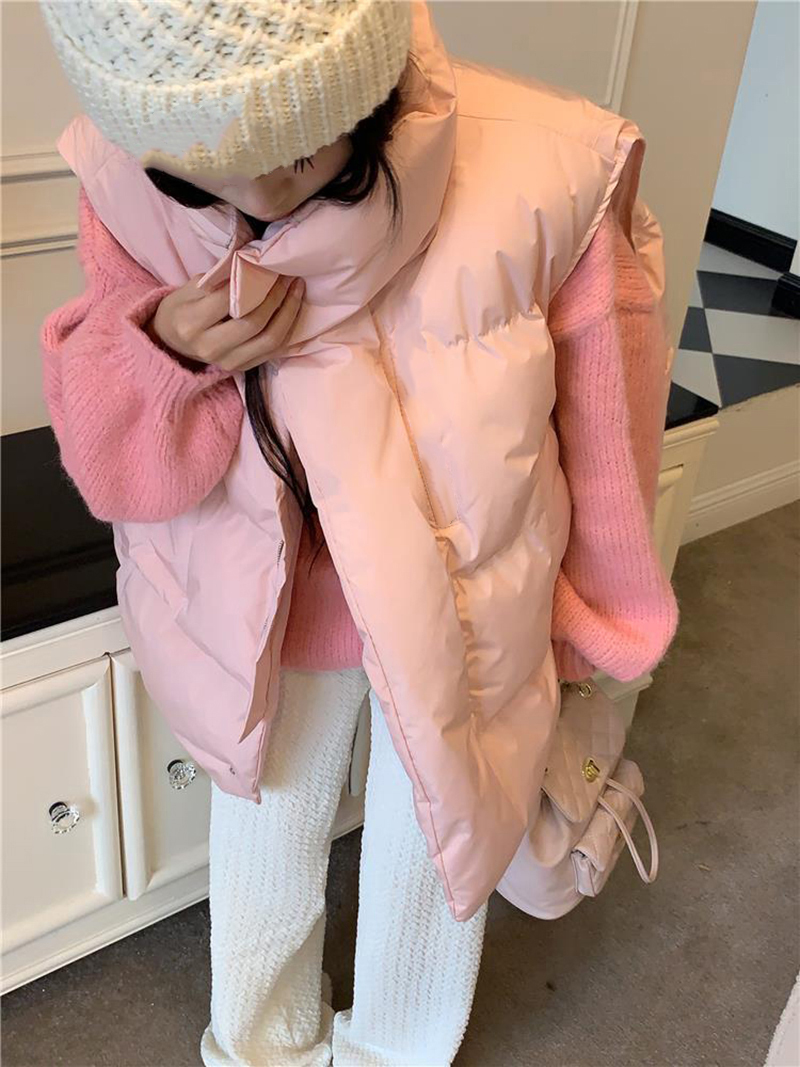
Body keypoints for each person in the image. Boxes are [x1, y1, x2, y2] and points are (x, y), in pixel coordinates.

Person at [38, 1, 679, 1064]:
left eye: (296, 156)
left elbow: (608, 438)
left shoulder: (549, 170)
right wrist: (165, 352)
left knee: (438, 840)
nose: (255, 201)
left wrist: (591, 632)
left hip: (465, 597)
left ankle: (398, 1047)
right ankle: (263, 1044)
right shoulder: (125, 187)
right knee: (265, 824)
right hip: (263, 604)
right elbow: (118, 466)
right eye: (200, 174)